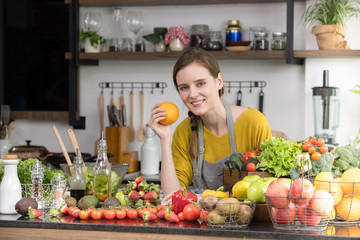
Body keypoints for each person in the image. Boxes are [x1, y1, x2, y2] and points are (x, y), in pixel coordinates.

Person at [149, 48, 272, 204]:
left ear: (219, 82)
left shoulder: (253, 122)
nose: (192, 94)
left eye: (200, 83)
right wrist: (164, 139)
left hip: (246, 221)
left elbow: (267, 188)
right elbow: (173, 198)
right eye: (184, 87)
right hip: (202, 222)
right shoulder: (184, 131)